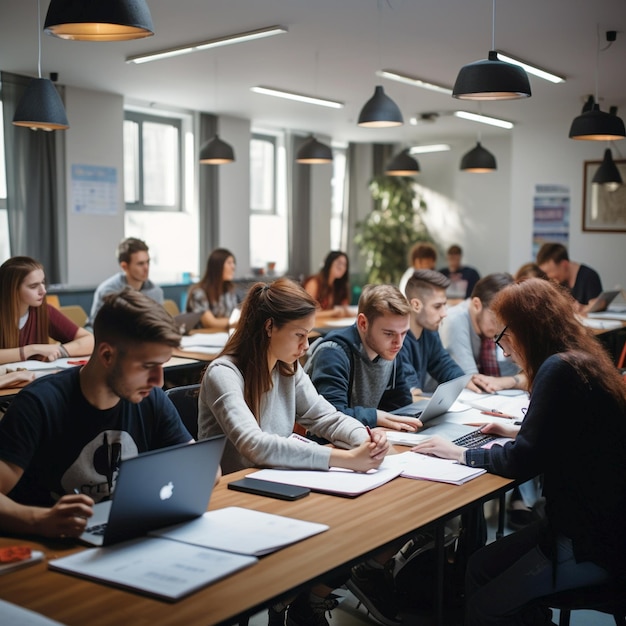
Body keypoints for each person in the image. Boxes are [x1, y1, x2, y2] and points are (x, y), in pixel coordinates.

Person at [411, 278, 626, 625]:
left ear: (525, 328)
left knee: (484, 603)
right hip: (597, 523)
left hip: (589, 539)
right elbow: (569, 434)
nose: (503, 350)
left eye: (503, 337)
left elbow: (521, 460)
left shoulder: (558, 369)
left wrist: (461, 454)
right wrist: (518, 430)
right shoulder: (581, 359)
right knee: (479, 567)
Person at [197, 278, 390, 626]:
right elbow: (253, 443)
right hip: (236, 500)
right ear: (269, 327)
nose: (305, 346)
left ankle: (295, 605)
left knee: (356, 526)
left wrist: (364, 438)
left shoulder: (289, 368)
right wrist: (343, 459)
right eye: (299, 335)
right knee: (332, 528)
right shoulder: (224, 373)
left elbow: (325, 416)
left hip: (277, 485)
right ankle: (284, 604)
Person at [0, 288, 197, 540]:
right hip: (54, 549)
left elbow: (203, 471)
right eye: (147, 366)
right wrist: (40, 520)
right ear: (107, 355)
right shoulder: (39, 404)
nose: (158, 381)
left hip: (125, 535)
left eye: (162, 365)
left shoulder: (151, 398)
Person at [305, 284, 422, 432]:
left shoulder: (389, 350)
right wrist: (376, 417)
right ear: (363, 323)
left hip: (362, 440)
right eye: (389, 333)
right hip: (326, 446)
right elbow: (330, 417)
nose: (398, 343)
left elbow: (400, 404)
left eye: (404, 333)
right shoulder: (333, 353)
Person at [439, 273, 527, 393]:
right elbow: (474, 382)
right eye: (495, 320)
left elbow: (530, 375)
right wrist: (515, 380)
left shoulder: (490, 327)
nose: (499, 329)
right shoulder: (454, 320)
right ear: (476, 305)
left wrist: (509, 381)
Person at [400, 269, 482, 394]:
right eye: (437, 306)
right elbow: (411, 395)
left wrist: (465, 382)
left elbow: (443, 364)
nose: (444, 313)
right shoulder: (396, 339)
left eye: (445, 305)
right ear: (416, 305)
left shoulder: (429, 331)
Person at [0, 256, 94, 366]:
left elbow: (90, 340)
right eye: (33, 286)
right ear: (12, 290)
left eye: (43, 283)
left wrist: (60, 350)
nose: (43, 291)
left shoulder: (44, 311)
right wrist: (32, 349)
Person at [86, 237, 164, 329]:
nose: (146, 268)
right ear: (124, 267)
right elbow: (98, 328)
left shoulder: (156, 291)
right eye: (140, 264)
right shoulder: (108, 291)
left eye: (148, 262)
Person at [536, 242, 602, 313]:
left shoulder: (589, 276)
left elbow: (597, 305)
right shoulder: (557, 281)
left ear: (564, 264)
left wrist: (583, 309)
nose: (549, 276)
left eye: (550, 272)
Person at [186, 248, 241, 330]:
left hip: (225, 335)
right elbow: (211, 323)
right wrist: (239, 322)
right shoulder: (198, 293)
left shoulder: (230, 291)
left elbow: (239, 315)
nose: (233, 267)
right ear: (217, 266)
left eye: (233, 263)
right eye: (229, 263)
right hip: (203, 338)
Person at [303, 250, 351, 319]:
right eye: (339, 263)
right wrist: (333, 312)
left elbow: (345, 309)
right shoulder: (314, 283)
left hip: (327, 325)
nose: (342, 267)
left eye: (345, 265)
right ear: (329, 263)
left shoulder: (339, 286)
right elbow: (307, 313)